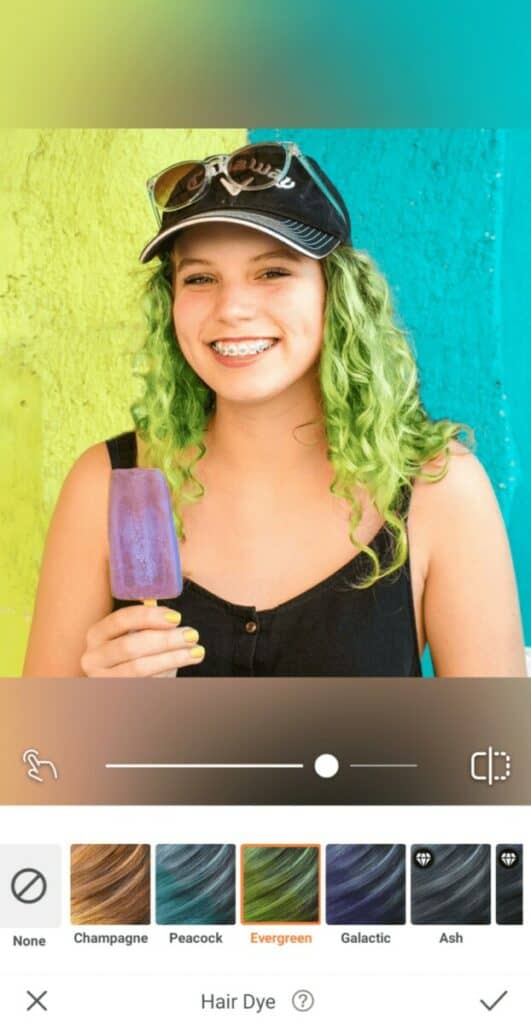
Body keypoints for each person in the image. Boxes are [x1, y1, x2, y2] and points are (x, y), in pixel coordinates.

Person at [22, 141, 526, 678]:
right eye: (199, 278)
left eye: (272, 273)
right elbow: (35, 761)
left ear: (337, 294)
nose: (232, 308)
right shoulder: (105, 484)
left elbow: (492, 759)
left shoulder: (438, 492)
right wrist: (97, 725)